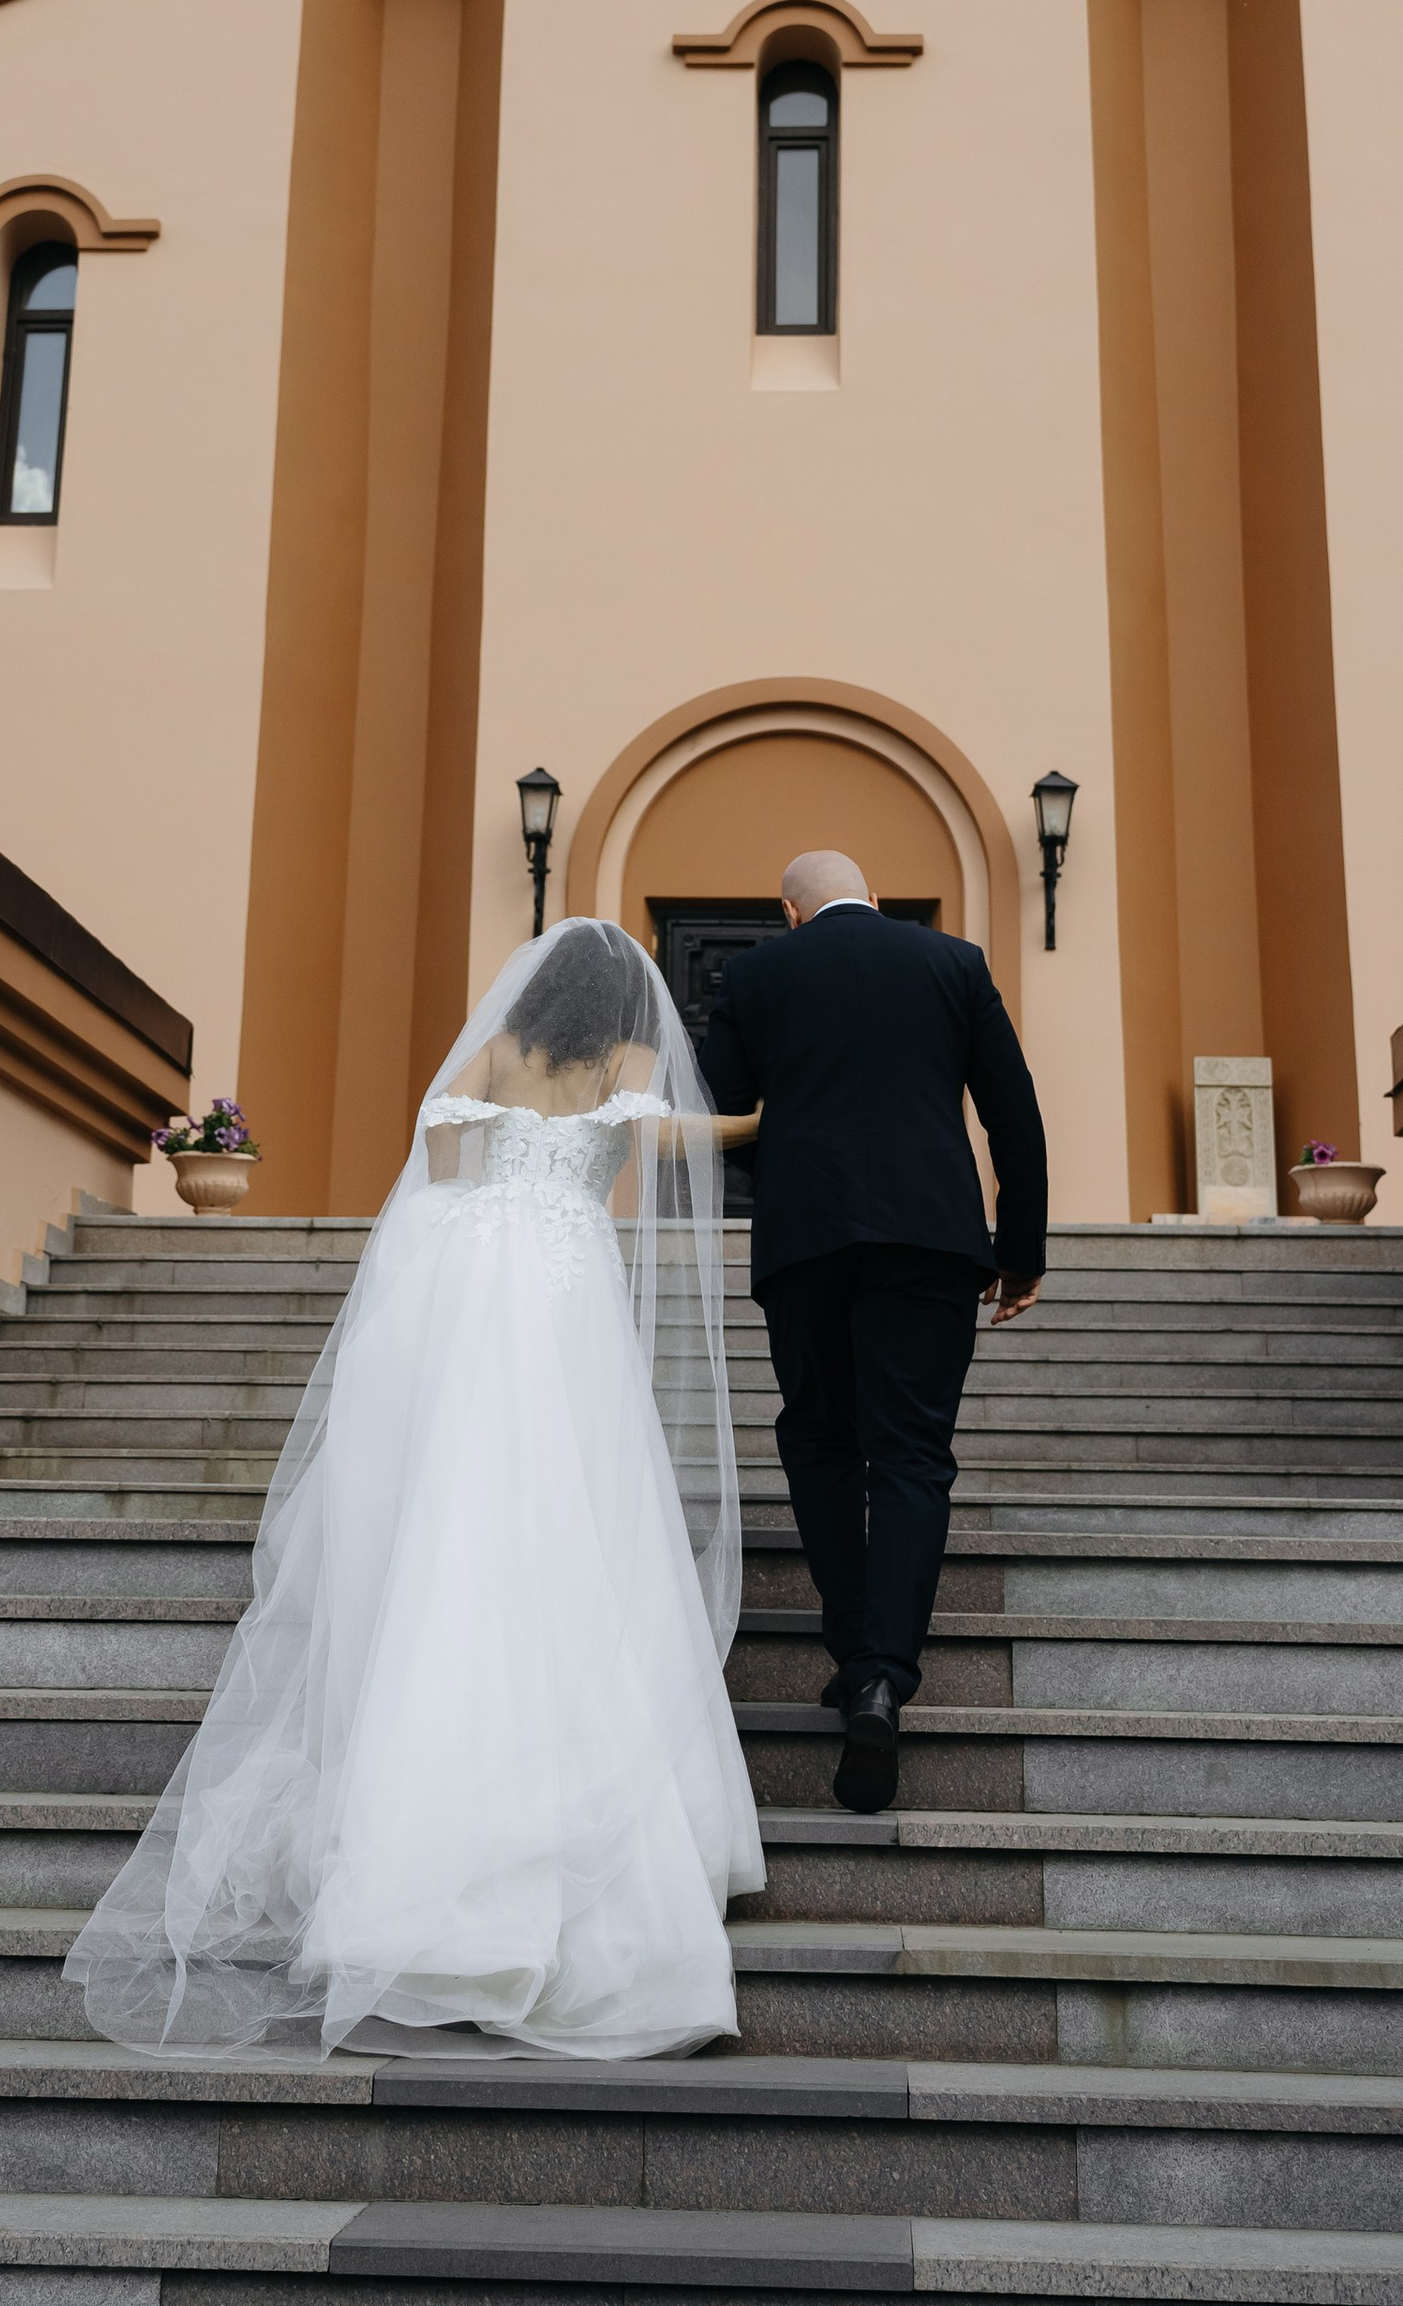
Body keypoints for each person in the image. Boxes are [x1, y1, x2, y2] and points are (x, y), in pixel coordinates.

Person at [65, 916, 763, 2060]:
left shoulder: (494, 1055)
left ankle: (407, 1842)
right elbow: (683, 1138)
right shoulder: (625, 1065)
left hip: (472, 1295)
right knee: (582, 1514)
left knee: (461, 1512)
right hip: (564, 1290)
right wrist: (765, 1115)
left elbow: (441, 1173)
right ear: (624, 1005)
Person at [699, 849, 1046, 1817]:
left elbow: (724, 1107)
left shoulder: (757, 972)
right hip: (931, 1238)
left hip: (807, 1239)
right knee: (910, 1452)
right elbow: (1011, 1115)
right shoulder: (953, 962)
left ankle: (853, 1652)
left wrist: (801, 1167)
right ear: (877, 900)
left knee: (818, 1437)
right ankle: (887, 1673)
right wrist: (1019, 1248)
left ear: (790, 908)